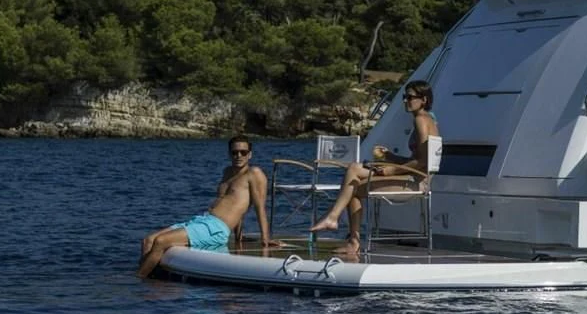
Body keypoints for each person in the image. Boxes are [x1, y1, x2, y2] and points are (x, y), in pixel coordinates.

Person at [309, 80, 439, 254]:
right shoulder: (427, 119)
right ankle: (338, 223)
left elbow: (423, 162)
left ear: (423, 100)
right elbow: (416, 159)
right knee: (354, 170)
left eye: (410, 97)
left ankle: (341, 228)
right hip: (412, 176)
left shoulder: (421, 120)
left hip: (417, 182)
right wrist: (390, 157)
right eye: (404, 97)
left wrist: (391, 170)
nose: (405, 101)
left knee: (353, 187)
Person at [137, 135, 280, 278]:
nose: (238, 155)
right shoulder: (227, 172)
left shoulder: (254, 173)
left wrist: (265, 238)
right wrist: (238, 236)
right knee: (148, 240)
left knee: (161, 241)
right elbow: (236, 205)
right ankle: (151, 278)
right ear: (229, 153)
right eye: (234, 152)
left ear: (250, 154)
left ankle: (138, 280)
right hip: (203, 221)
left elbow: (259, 207)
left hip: (216, 229)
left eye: (243, 152)